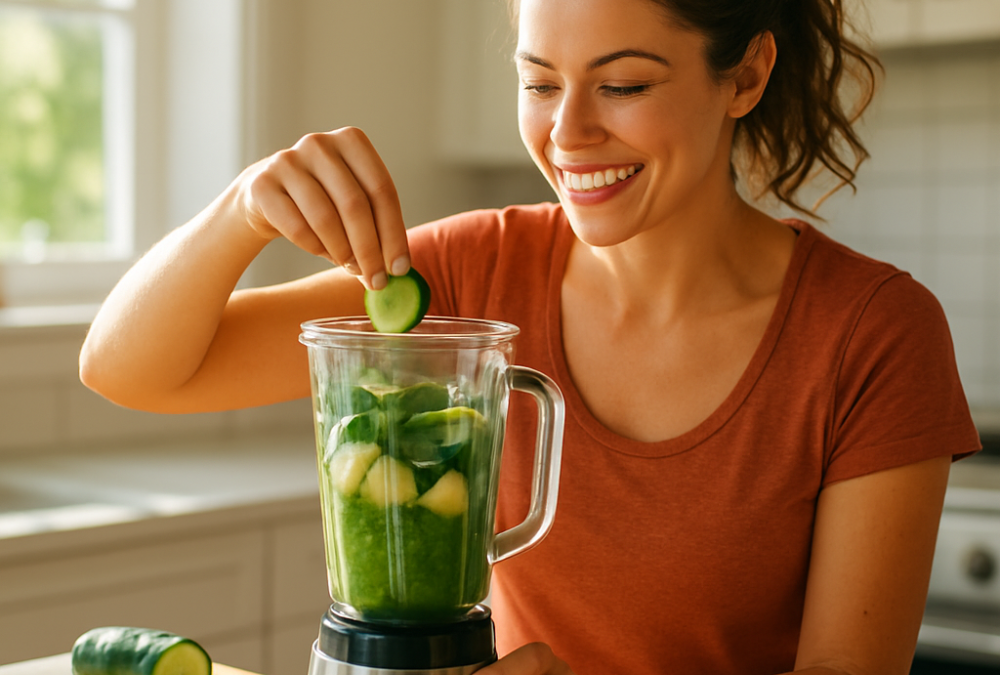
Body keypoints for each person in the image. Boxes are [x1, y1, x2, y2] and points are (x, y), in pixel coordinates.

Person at [79, 0, 982, 673]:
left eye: (623, 84)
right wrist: (241, 211)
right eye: (539, 82)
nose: (567, 131)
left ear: (744, 76)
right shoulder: (474, 274)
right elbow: (130, 369)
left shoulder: (873, 335)